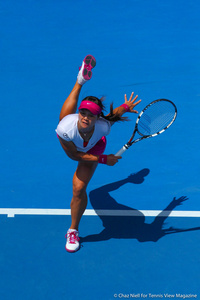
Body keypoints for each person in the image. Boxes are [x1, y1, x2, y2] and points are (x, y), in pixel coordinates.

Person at [56, 55, 141, 252]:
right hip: (76, 147)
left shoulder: (103, 126)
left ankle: (73, 230)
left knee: (78, 189)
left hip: (94, 146)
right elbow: (74, 156)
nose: (86, 117)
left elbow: (112, 116)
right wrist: (104, 160)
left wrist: (126, 107)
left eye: (91, 115)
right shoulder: (66, 128)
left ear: (97, 117)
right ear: (80, 113)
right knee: (63, 120)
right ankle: (80, 81)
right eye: (83, 113)